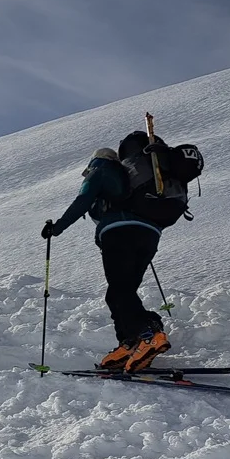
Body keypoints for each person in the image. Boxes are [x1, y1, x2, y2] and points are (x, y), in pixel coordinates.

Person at [42, 140, 173, 371]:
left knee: (119, 291)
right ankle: (130, 342)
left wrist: (57, 227)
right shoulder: (133, 180)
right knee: (120, 293)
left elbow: (83, 199)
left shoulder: (101, 169)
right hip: (149, 235)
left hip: (119, 232)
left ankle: (148, 334)